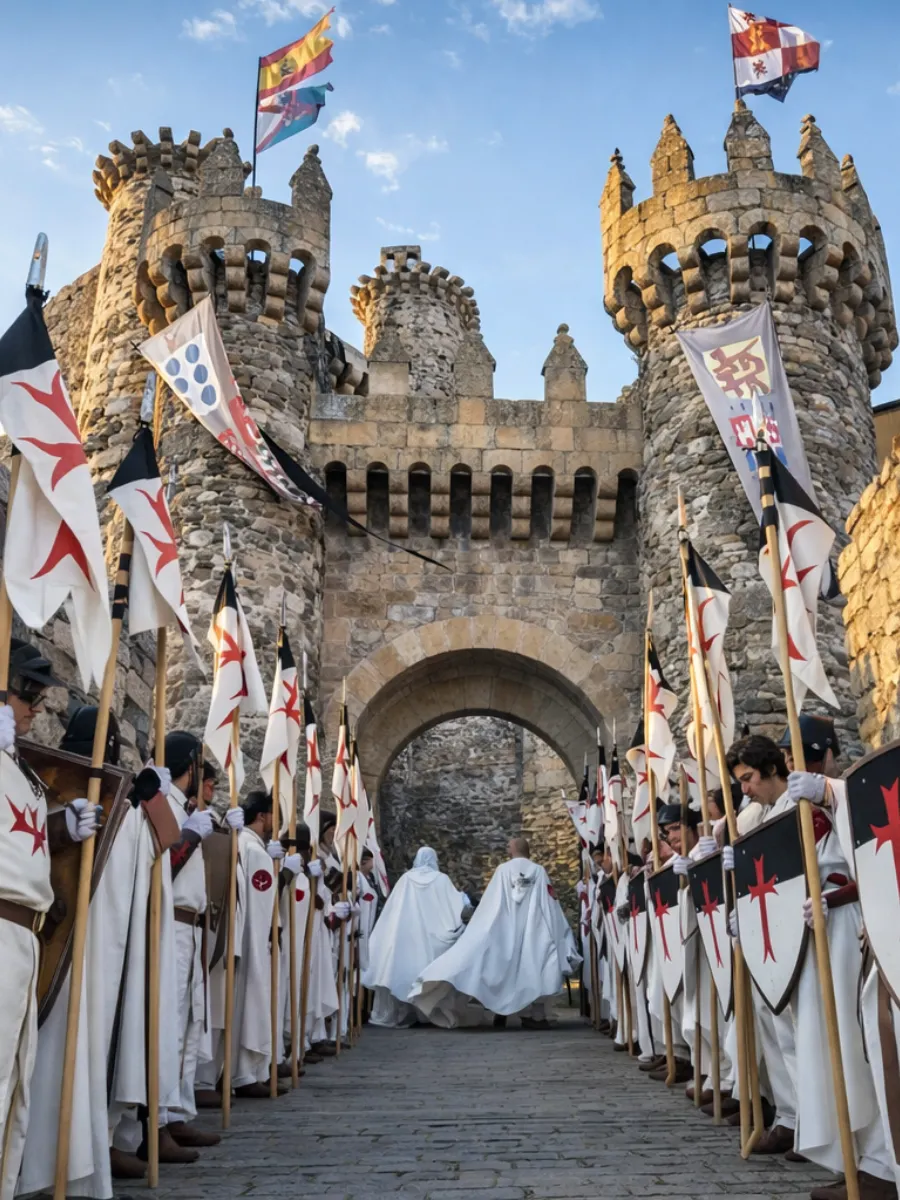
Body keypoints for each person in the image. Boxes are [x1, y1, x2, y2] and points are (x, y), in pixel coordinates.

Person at [0, 641, 99, 1200]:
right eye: (27, 694)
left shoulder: (17, 762)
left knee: (14, 1086)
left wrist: (63, 827)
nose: (35, 708)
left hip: (25, 938)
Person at [409, 837, 580, 1030]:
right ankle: (536, 1016)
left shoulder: (503, 870)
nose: (506, 848)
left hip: (507, 929)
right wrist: (556, 928)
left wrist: (483, 926)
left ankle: (503, 1012)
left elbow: (493, 901)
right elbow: (549, 900)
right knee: (535, 969)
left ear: (513, 849)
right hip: (533, 929)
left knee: (503, 970)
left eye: (508, 846)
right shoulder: (538, 871)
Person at [231, 790, 302, 1097]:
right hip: (255, 939)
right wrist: (284, 872)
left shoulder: (246, 845)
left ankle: (258, 1068)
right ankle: (246, 1073)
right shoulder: (254, 851)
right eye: (274, 815)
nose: (278, 822)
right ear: (261, 816)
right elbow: (265, 899)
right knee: (253, 1003)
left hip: (251, 937)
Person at [362, 846, 468, 1028]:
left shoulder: (406, 879)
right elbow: (453, 904)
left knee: (402, 969)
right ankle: (430, 1010)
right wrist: (463, 898)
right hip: (432, 936)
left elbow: (393, 909)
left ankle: (404, 1011)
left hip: (407, 935)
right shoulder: (441, 879)